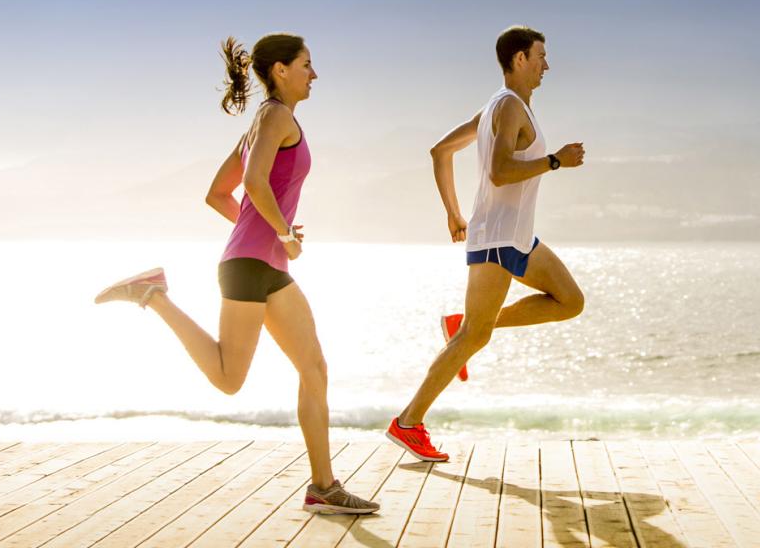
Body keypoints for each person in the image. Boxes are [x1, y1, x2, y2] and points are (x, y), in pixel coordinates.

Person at [95, 33, 378, 514]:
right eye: (307, 65)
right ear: (281, 71)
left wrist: (273, 230)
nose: (315, 74)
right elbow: (249, 184)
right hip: (250, 265)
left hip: (264, 263)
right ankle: (154, 295)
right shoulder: (275, 116)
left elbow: (219, 196)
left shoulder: (262, 124)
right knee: (230, 379)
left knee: (315, 368)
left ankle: (323, 486)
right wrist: (283, 231)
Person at [386, 26, 586, 461]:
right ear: (519, 59)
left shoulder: (497, 108)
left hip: (515, 236)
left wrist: (453, 213)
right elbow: (498, 172)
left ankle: (463, 324)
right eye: (540, 56)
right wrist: (556, 161)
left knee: (570, 301)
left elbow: (440, 152)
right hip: (496, 238)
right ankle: (407, 423)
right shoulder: (509, 107)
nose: (546, 65)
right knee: (473, 338)